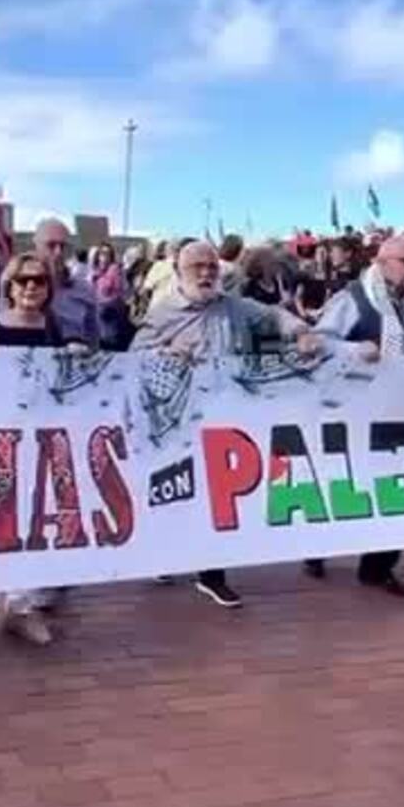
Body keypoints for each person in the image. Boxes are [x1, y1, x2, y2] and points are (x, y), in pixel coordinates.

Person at [133, 240, 336, 608]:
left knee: (215, 494)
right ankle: (166, 554)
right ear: (178, 272)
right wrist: (162, 354)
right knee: (178, 492)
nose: (207, 273)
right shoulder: (163, 313)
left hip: (227, 416)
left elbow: (274, 316)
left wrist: (301, 331)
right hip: (181, 419)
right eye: (197, 266)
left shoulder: (235, 307)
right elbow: (133, 358)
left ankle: (212, 575)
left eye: (212, 266)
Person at [0, 252, 81, 650]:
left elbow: (76, 373)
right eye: (22, 280)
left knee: (32, 516)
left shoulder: (54, 327)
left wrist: (79, 354)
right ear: (9, 286)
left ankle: (20, 606)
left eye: (39, 280)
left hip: (41, 435)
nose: (31, 287)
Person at [311, 236, 404, 597]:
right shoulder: (353, 299)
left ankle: (378, 567)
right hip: (353, 410)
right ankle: (315, 547)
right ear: (385, 261)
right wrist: (353, 349)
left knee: (395, 487)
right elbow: (317, 341)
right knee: (345, 485)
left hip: (396, 409)